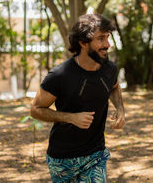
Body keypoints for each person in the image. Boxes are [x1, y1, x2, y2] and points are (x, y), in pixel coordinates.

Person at [30, 13, 125, 183]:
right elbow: (35, 109)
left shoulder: (109, 69)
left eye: (108, 37)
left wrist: (120, 109)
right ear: (83, 43)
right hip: (62, 159)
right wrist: (71, 118)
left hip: (95, 154)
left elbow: (114, 87)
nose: (107, 44)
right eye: (101, 39)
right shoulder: (59, 75)